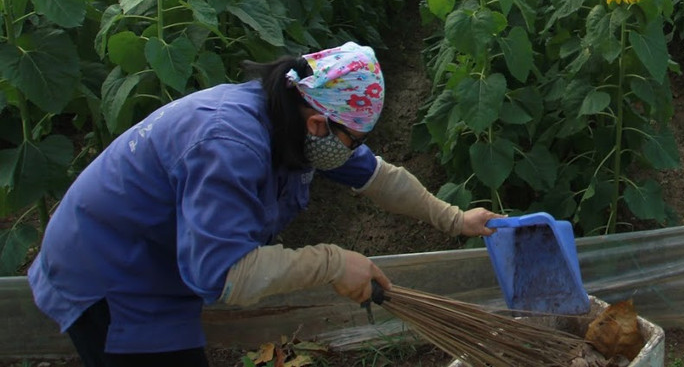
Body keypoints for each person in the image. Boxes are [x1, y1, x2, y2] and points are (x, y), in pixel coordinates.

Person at [28, 42, 502, 366]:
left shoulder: (291, 118)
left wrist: (456, 219)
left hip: (157, 258)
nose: (353, 149)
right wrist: (333, 263)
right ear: (319, 123)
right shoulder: (229, 143)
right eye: (352, 138)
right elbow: (224, 274)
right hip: (111, 273)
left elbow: (378, 178)